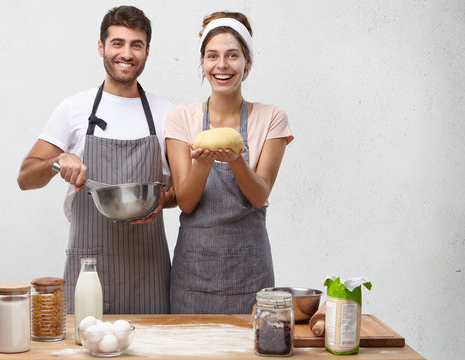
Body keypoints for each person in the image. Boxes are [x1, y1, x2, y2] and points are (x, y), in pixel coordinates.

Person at [17, 5, 175, 314]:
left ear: (146, 51)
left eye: (136, 45)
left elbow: (184, 191)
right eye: (118, 43)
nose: (126, 53)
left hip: (148, 268)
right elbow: (25, 177)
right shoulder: (74, 108)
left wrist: (164, 199)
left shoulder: (167, 113)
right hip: (89, 264)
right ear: (101, 47)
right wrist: (56, 161)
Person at [165, 11, 293, 314]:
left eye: (232, 55)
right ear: (202, 62)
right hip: (193, 276)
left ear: (247, 63)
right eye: (212, 56)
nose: (222, 65)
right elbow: (185, 201)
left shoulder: (272, 117)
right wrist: (203, 164)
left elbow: (260, 196)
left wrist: (237, 161)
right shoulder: (182, 118)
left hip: (250, 273)